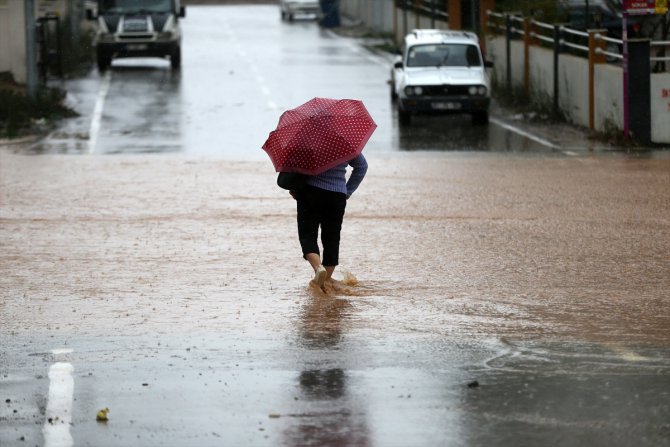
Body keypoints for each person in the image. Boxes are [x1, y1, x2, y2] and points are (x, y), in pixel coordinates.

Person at [290, 153, 368, 288]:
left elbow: (293, 168)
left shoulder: (305, 141)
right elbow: (362, 166)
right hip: (336, 196)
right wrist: (347, 191)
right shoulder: (343, 142)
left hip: (309, 192)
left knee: (307, 234)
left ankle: (318, 268)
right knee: (331, 238)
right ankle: (327, 280)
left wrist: (294, 188)